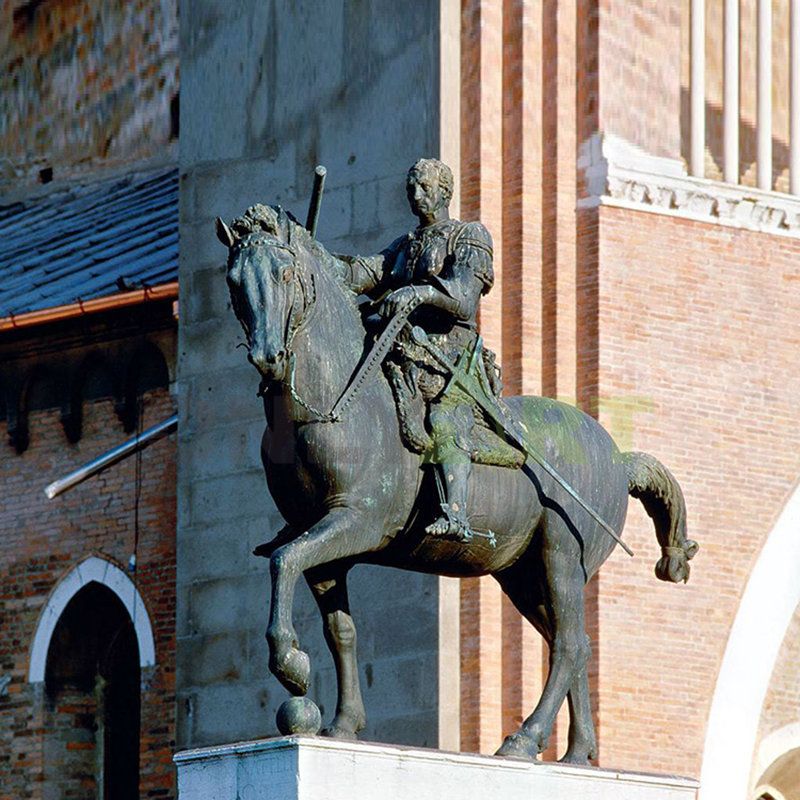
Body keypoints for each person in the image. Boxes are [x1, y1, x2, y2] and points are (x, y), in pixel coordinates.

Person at [338, 158, 523, 542]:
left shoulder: (469, 237)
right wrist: (316, 261)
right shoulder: (404, 247)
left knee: (444, 419)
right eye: (411, 189)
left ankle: (456, 513)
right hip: (405, 354)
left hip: (451, 360)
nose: (415, 196)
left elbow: (464, 297)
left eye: (423, 187)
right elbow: (364, 272)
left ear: (444, 192)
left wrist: (417, 292)